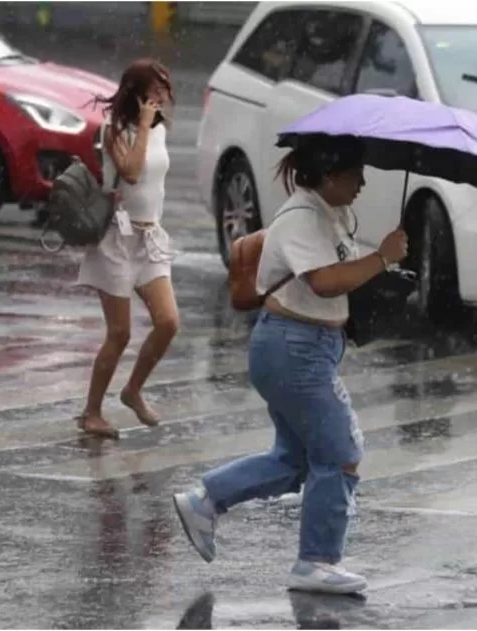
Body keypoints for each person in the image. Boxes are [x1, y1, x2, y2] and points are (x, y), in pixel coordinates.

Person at [173, 136, 409, 594]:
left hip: (309, 347)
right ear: (327, 175)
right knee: (341, 453)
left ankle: (206, 500)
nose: (363, 181)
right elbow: (322, 282)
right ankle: (316, 562)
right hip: (293, 349)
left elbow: (338, 278)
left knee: (296, 458)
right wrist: (381, 258)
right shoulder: (301, 218)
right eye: (354, 173)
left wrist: (382, 272)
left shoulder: (332, 213)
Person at [76, 59, 179, 440]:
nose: (164, 97)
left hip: (150, 238)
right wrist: (140, 128)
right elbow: (132, 173)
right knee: (119, 333)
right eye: (157, 90)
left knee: (168, 322)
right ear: (137, 94)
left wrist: (150, 128)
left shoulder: (159, 132)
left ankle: (133, 389)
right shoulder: (114, 131)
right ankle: (91, 413)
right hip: (116, 241)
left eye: (166, 89)